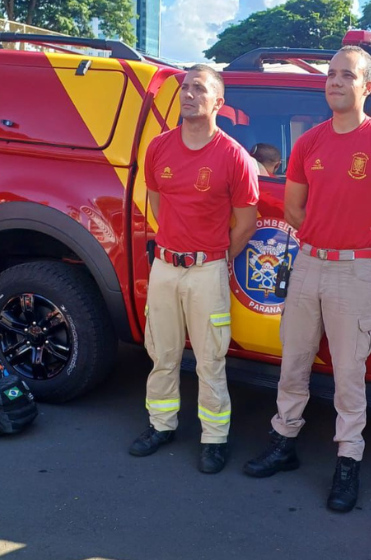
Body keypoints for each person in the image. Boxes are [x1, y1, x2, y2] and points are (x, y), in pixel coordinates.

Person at [242, 46, 371, 512]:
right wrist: (320, 239)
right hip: (307, 265)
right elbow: (295, 208)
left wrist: (365, 241)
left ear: (367, 86)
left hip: (353, 270)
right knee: (293, 363)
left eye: (347, 75)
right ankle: (284, 443)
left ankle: (348, 462)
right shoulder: (310, 143)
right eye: (331, 75)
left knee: (348, 375)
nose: (335, 82)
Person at [129, 64, 260, 474]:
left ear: (218, 102)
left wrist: (213, 253)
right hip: (165, 268)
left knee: (209, 360)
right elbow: (155, 201)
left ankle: (214, 438)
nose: (188, 94)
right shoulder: (159, 148)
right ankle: (161, 425)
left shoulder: (233, 157)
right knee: (162, 354)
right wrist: (175, 243)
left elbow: (247, 222)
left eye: (199, 89)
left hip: (208, 272)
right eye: (185, 87)